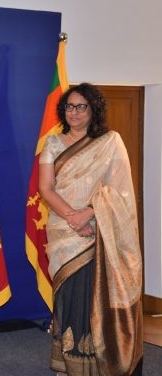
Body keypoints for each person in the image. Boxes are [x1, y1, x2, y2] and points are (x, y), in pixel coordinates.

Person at [38, 83, 143, 376]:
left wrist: (88, 215)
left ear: (94, 109)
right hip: (63, 232)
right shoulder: (53, 143)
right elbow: (46, 188)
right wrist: (73, 218)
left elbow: (119, 191)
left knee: (93, 299)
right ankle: (68, 364)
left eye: (81, 106)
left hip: (99, 230)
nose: (74, 112)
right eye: (69, 106)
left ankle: (96, 364)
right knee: (68, 297)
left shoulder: (110, 142)